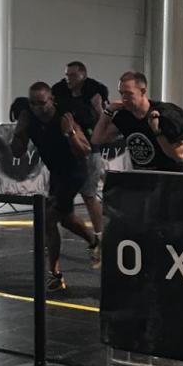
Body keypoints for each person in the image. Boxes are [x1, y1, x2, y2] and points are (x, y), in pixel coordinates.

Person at [11, 82, 100, 293]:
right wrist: (20, 130)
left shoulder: (64, 117)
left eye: (42, 103)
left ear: (51, 100)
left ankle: (55, 274)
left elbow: (84, 151)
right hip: (57, 174)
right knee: (66, 219)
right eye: (33, 103)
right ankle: (94, 241)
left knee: (48, 219)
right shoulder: (29, 118)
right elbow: (16, 152)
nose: (37, 108)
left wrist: (70, 134)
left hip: (75, 172)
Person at [52, 61, 109, 237]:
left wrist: (98, 108)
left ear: (83, 75)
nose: (69, 79)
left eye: (73, 75)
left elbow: (103, 121)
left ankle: (100, 235)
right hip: (67, 150)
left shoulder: (95, 93)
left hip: (89, 149)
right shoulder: (61, 93)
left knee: (89, 195)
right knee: (58, 195)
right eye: (67, 75)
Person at [92, 71, 183, 171]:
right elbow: (97, 139)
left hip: (168, 176)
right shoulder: (124, 116)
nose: (124, 98)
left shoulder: (163, 114)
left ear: (143, 91)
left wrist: (157, 131)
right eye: (121, 93)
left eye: (129, 93)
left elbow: (179, 155)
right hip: (142, 176)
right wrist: (109, 111)